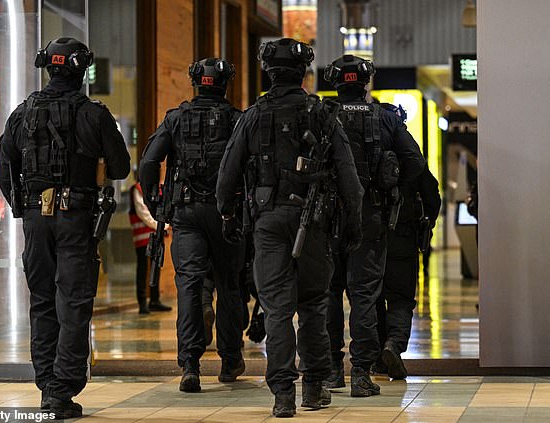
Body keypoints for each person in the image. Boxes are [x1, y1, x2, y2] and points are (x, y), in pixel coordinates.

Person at [217, 38, 364, 418]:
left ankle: (283, 394)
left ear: (268, 71)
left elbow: (227, 177)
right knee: (313, 303)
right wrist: (353, 226)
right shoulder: (322, 114)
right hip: (314, 223)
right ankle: (313, 388)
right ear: (304, 72)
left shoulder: (252, 115)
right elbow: (350, 180)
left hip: (267, 224)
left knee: (276, 308)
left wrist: (229, 215)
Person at [0, 37, 130, 419]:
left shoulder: (23, 113)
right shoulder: (94, 114)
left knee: (41, 302)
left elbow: (6, 169)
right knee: (73, 303)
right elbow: (120, 168)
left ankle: (46, 386)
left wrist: (23, 209)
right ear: (80, 69)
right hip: (75, 219)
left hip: (36, 221)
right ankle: (61, 390)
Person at [322, 55, 426, 397]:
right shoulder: (385, 118)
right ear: (365, 82)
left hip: (330, 218)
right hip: (371, 216)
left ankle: (332, 370)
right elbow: (414, 162)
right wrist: (393, 192)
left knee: (329, 293)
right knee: (365, 294)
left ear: (335, 82)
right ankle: (362, 373)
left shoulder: (323, 115)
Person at [139, 57, 246, 393]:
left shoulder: (175, 118)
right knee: (230, 286)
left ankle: (191, 365)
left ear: (195, 82)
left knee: (189, 286)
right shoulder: (237, 120)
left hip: (185, 214)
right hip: (227, 214)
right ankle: (229, 361)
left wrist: (155, 203)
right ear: (227, 82)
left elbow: (148, 162)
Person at [374, 165, 441, 379]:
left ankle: (377, 359)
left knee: (372, 298)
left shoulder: (365, 147)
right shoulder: (408, 154)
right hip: (403, 236)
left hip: (370, 238)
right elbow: (432, 192)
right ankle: (394, 344)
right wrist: (426, 222)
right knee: (401, 298)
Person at [129, 181, 172, 314]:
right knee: (143, 268)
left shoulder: (159, 188)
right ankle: (142, 302)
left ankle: (154, 300)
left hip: (156, 233)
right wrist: (162, 226)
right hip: (143, 235)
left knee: (157, 266)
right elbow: (142, 212)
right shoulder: (137, 188)